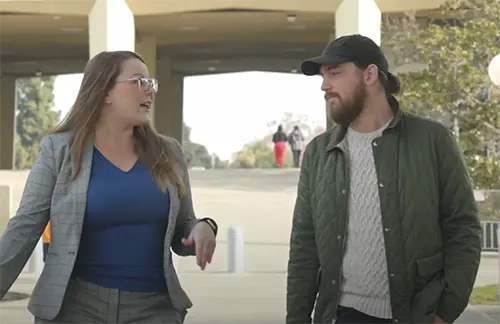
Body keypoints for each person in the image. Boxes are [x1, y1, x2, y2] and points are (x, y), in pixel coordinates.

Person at [0, 51, 218, 324]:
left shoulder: (169, 152)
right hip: (76, 308)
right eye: (139, 81)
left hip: (155, 310)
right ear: (105, 92)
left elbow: (183, 229)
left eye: (151, 83)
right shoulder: (60, 150)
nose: (149, 90)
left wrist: (203, 227)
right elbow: (24, 228)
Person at [286, 34, 481, 324]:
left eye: (335, 73)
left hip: (416, 313)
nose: (325, 85)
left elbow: (463, 228)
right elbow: (304, 246)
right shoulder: (318, 153)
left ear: (370, 75)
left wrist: (445, 312)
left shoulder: (432, 140)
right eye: (323, 76)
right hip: (343, 316)